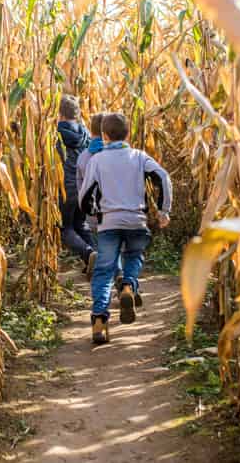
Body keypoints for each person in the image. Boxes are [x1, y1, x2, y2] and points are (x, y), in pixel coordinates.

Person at [79, 112, 172, 344]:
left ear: (104, 135)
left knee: (103, 271)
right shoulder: (139, 157)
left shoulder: (96, 160)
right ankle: (129, 286)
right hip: (136, 220)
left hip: (109, 222)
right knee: (134, 255)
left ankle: (99, 320)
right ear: (127, 134)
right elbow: (162, 176)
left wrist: (92, 212)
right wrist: (163, 210)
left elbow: (86, 195)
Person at [76, 112, 123, 288]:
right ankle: (119, 275)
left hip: (93, 213)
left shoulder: (82, 157)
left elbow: (80, 188)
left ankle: (99, 259)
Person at [56, 95, 97, 276]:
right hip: (84, 186)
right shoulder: (86, 134)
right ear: (77, 113)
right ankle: (99, 260)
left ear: (59, 113)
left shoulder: (55, 135)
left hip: (65, 188)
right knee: (81, 225)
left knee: (67, 229)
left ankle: (89, 253)